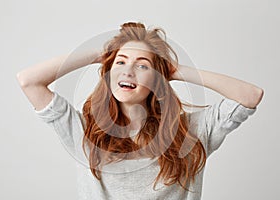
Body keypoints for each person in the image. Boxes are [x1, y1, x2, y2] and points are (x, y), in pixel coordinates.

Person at [16, 22, 264, 200]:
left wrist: (173, 71)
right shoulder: (82, 133)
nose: (128, 71)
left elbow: (250, 96)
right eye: (120, 62)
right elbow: (28, 81)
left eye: (142, 66)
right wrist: (98, 55)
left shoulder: (191, 131)